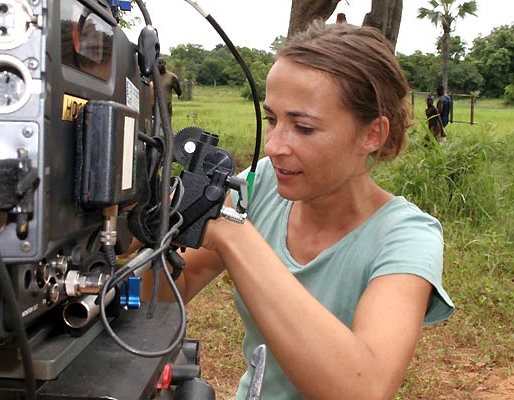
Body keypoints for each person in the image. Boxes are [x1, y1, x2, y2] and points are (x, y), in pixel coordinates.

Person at [144, 21, 454, 399]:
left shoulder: (408, 238)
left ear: (372, 134)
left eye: (303, 127)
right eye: (273, 119)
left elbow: (363, 388)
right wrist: (142, 221)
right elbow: (165, 291)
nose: (274, 146)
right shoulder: (260, 185)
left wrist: (231, 233)